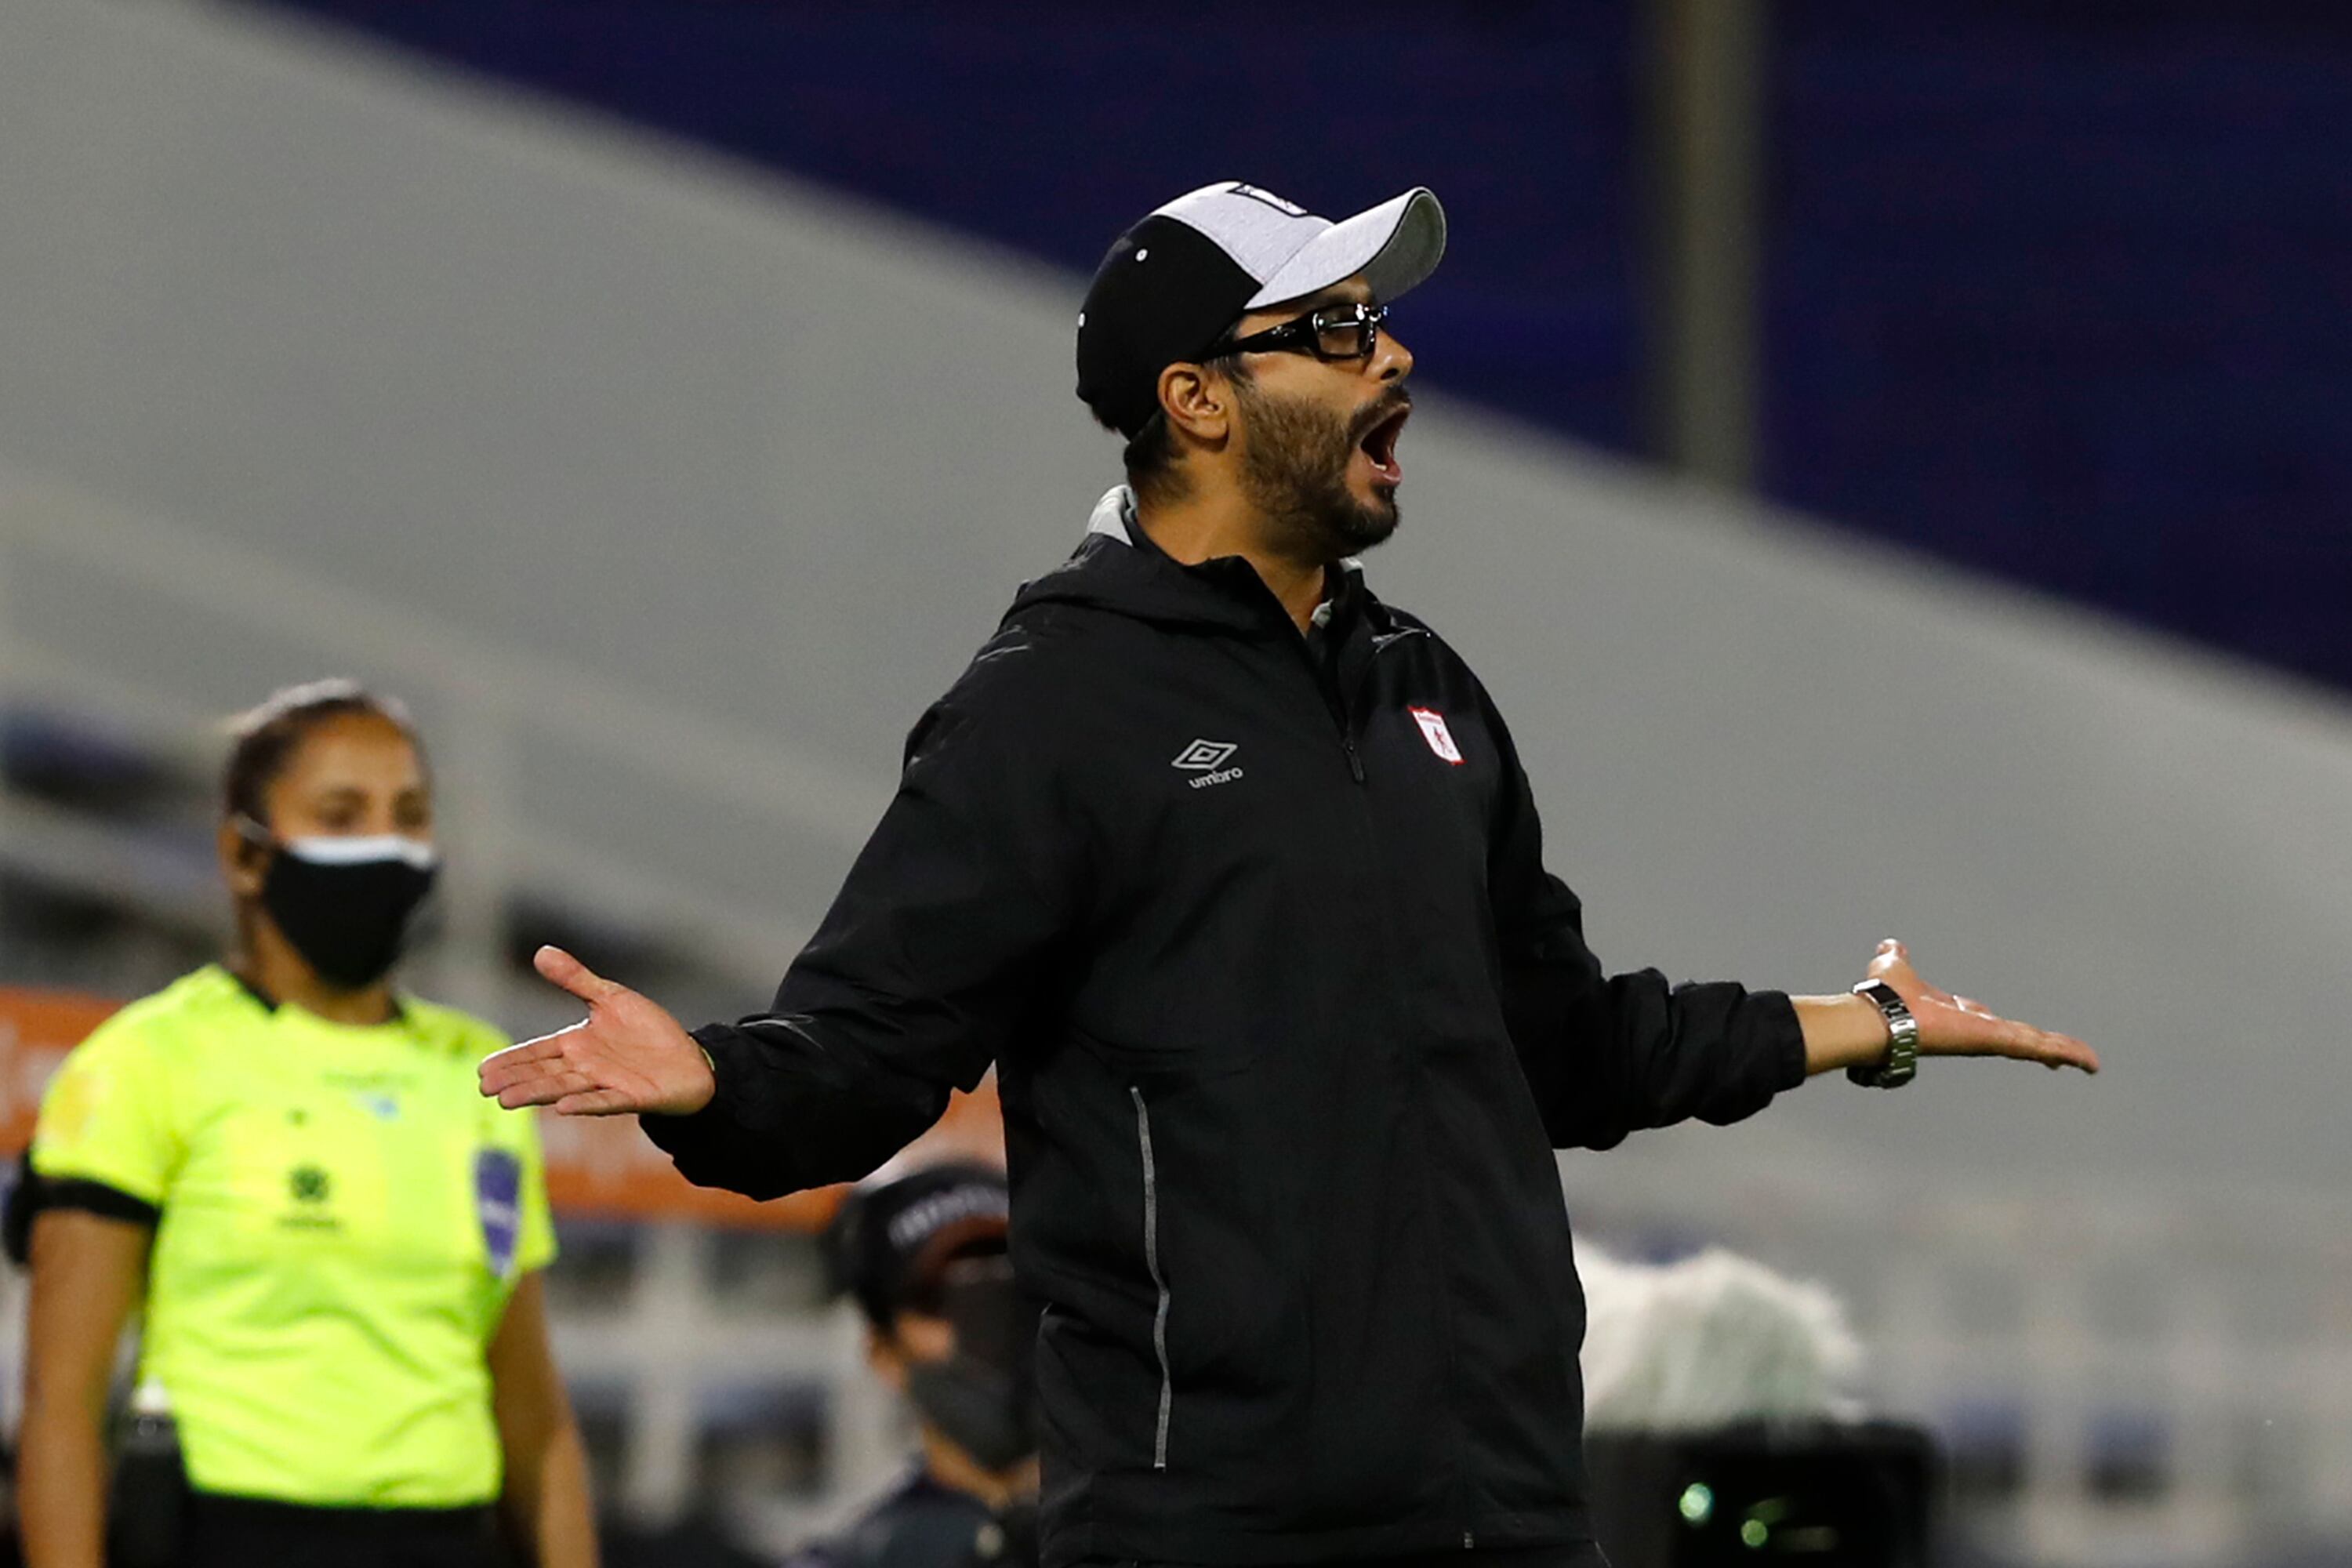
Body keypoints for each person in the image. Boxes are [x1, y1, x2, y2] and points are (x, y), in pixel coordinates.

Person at [481, 182, 2098, 1568]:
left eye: (1377, 323)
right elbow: (864, 1052)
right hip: (1216, 1525)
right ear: (1196, 399)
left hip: (1505, 1507)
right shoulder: (1052, 706)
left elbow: (1562, 1044)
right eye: (1332, 330)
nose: (1391, 352)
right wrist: (710, 1081)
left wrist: (1862, 1022)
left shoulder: (1423, 685)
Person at [15, 680, 596, 1568]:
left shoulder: (482, 1072)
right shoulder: (148, 1059)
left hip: (444, 1540)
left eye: (409, 814)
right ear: (244, 856)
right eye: (341, 813)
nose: (386, 843)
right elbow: (61, 1404)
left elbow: (534, 1415)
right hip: (225, 1534)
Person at [786, 1163, 1038, 1568]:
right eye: (938, 1298)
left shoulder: (1151, 1523)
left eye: (1010, 1287)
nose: (989, 1325)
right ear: (884, 1354)